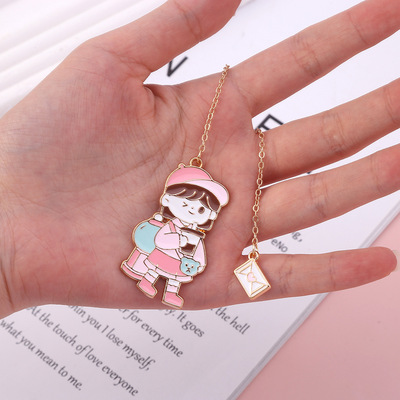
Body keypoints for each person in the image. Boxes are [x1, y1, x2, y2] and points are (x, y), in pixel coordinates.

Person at [0, 0, 399, 318]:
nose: (194, 211)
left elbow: (199, 256)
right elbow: (152, 238)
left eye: (202, 208)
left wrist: (191, 254)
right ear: (168, 199)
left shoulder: (196, 234)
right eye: (189, 203)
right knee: (154, 263)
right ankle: (150, 279)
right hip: (160, 249)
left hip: (178, 260)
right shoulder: (162, 222)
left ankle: (170, 288)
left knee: (175, 274)